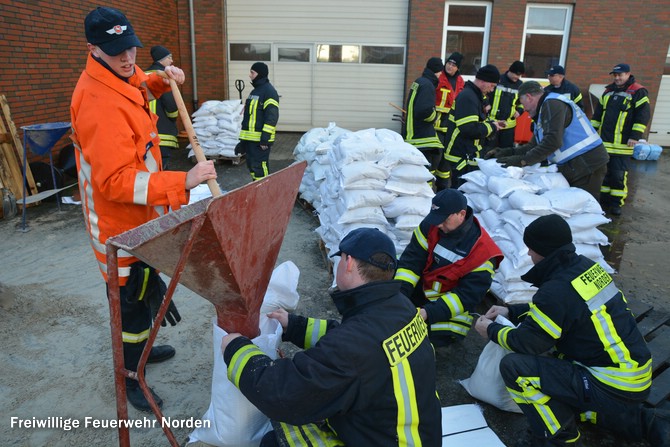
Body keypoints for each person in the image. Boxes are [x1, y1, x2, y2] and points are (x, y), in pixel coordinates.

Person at [70, 6, 218, 412]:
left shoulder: (119, 72)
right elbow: (115, 182)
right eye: (116, 51)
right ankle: (130, 375)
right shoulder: (96, 102)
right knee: (130, 306)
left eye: (130, 48)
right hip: (119, 227)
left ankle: (142, 351)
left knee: (146, 292)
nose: (128, 58)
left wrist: (163, 79)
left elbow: (139, 83)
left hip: (143, 216)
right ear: (93, 49)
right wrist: (183, 181)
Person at [221, 228, 442, 446]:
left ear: (349, 263)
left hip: (385, 438)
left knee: (277, 440)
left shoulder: (355, 345)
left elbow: (285, 395)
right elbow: (354, 340)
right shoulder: (402, 307)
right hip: (413, 434)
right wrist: (295, 326)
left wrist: (236, 349)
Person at [474, 214, 670, 447]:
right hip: (634, 375)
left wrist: (492, 330)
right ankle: (623, 417)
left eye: (532, 249)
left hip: (612, 384)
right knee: (553, 364)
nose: (528, 254)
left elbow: (528, 342)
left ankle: (558, 437)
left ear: (544, 251)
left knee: (516, 367)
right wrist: (511, 313)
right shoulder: (586, 268)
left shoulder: (555, 290)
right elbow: (563, 311)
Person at [394, 189, 503, 346]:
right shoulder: (431, 225)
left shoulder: (483, 252)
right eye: (437, 218)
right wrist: (400, 295)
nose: (439, 224)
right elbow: (411, 262)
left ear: (461, 214)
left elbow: (466, 297)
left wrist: (427, 313)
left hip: (449, 311)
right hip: (423, 292)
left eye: (444, 219)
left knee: (415, 338)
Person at [486, 81, 609, 201]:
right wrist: (508, 152)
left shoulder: (552, 104)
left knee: (584, 209)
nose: (524, 109)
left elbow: (552, 142)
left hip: (588, 164)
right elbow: (533, 146)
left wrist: (522, 161)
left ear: (529, 97)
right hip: (577, 165)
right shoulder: (544, 111)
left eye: (523, 104)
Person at [591, 63, 651, 216]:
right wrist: (591, 133)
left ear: (628, 74)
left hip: (623, 144)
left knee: (618, 175)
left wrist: (635, 136)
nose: (617, 78)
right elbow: (598, 115)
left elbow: (642, 116)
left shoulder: (638, 91)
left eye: (620, 75)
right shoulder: (608, 91)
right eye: (615, 75)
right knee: (605, 173)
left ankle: (616, 204)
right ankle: (604, 200)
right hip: (605, 142)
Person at [442, 64, 506, 188]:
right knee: (461, 192)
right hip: (461, 156)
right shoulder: (468, 97)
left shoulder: (474, 96)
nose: (492, 90)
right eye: (492, 86)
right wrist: (492, 127)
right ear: (483, 81)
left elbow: (477, 122)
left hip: (466, 154)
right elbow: (469, 129)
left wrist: (492, 123)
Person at [237, 62, 279, 181]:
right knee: (252, 166)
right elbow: (249, 119)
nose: (250, 75)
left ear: (260, 74)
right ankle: (257, 189)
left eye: (252, 72)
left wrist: (265, 138)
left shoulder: (269, 92)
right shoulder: (255, 91)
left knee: (260, 167)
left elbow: (271, 117)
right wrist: (243, 141)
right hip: (251, 140)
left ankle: (265, 191)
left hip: (261, 141)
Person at [404, 57, 445, 180]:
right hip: (423, 140)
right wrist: (435, 117)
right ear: (438, 71)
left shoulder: (419, 82)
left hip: (414, 136)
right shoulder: (428, 85)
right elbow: (425, 112)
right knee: (425, 177)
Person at [434, 52, 465, 189]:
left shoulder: (460, 81)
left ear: (458, 68)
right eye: (449, 63)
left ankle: (442, 190)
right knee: (435, 160)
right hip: (436, 127)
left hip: (451, 129)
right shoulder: (438, 78)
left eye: (453, 65)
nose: (450, 67)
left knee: (445, 166)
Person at [144, 45, 179, 169]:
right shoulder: (164, 76)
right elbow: (171, 106)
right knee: (161, 168)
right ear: (161, 59)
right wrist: (173, 119)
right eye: (169, 58)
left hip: (144, 133)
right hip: (162, 132)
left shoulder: (141, 75)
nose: (171, 61)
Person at [487, 61, 525, 148]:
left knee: (505, 153)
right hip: (493, 122)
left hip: (509, 126)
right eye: (516, 74)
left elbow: (523, 102)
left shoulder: (520, 85)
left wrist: (519, 111)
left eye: (519, 75)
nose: (517, 77)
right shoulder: (498, 80)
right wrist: (485, 104)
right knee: (488, 151)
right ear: (510, 71)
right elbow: (485, 95)